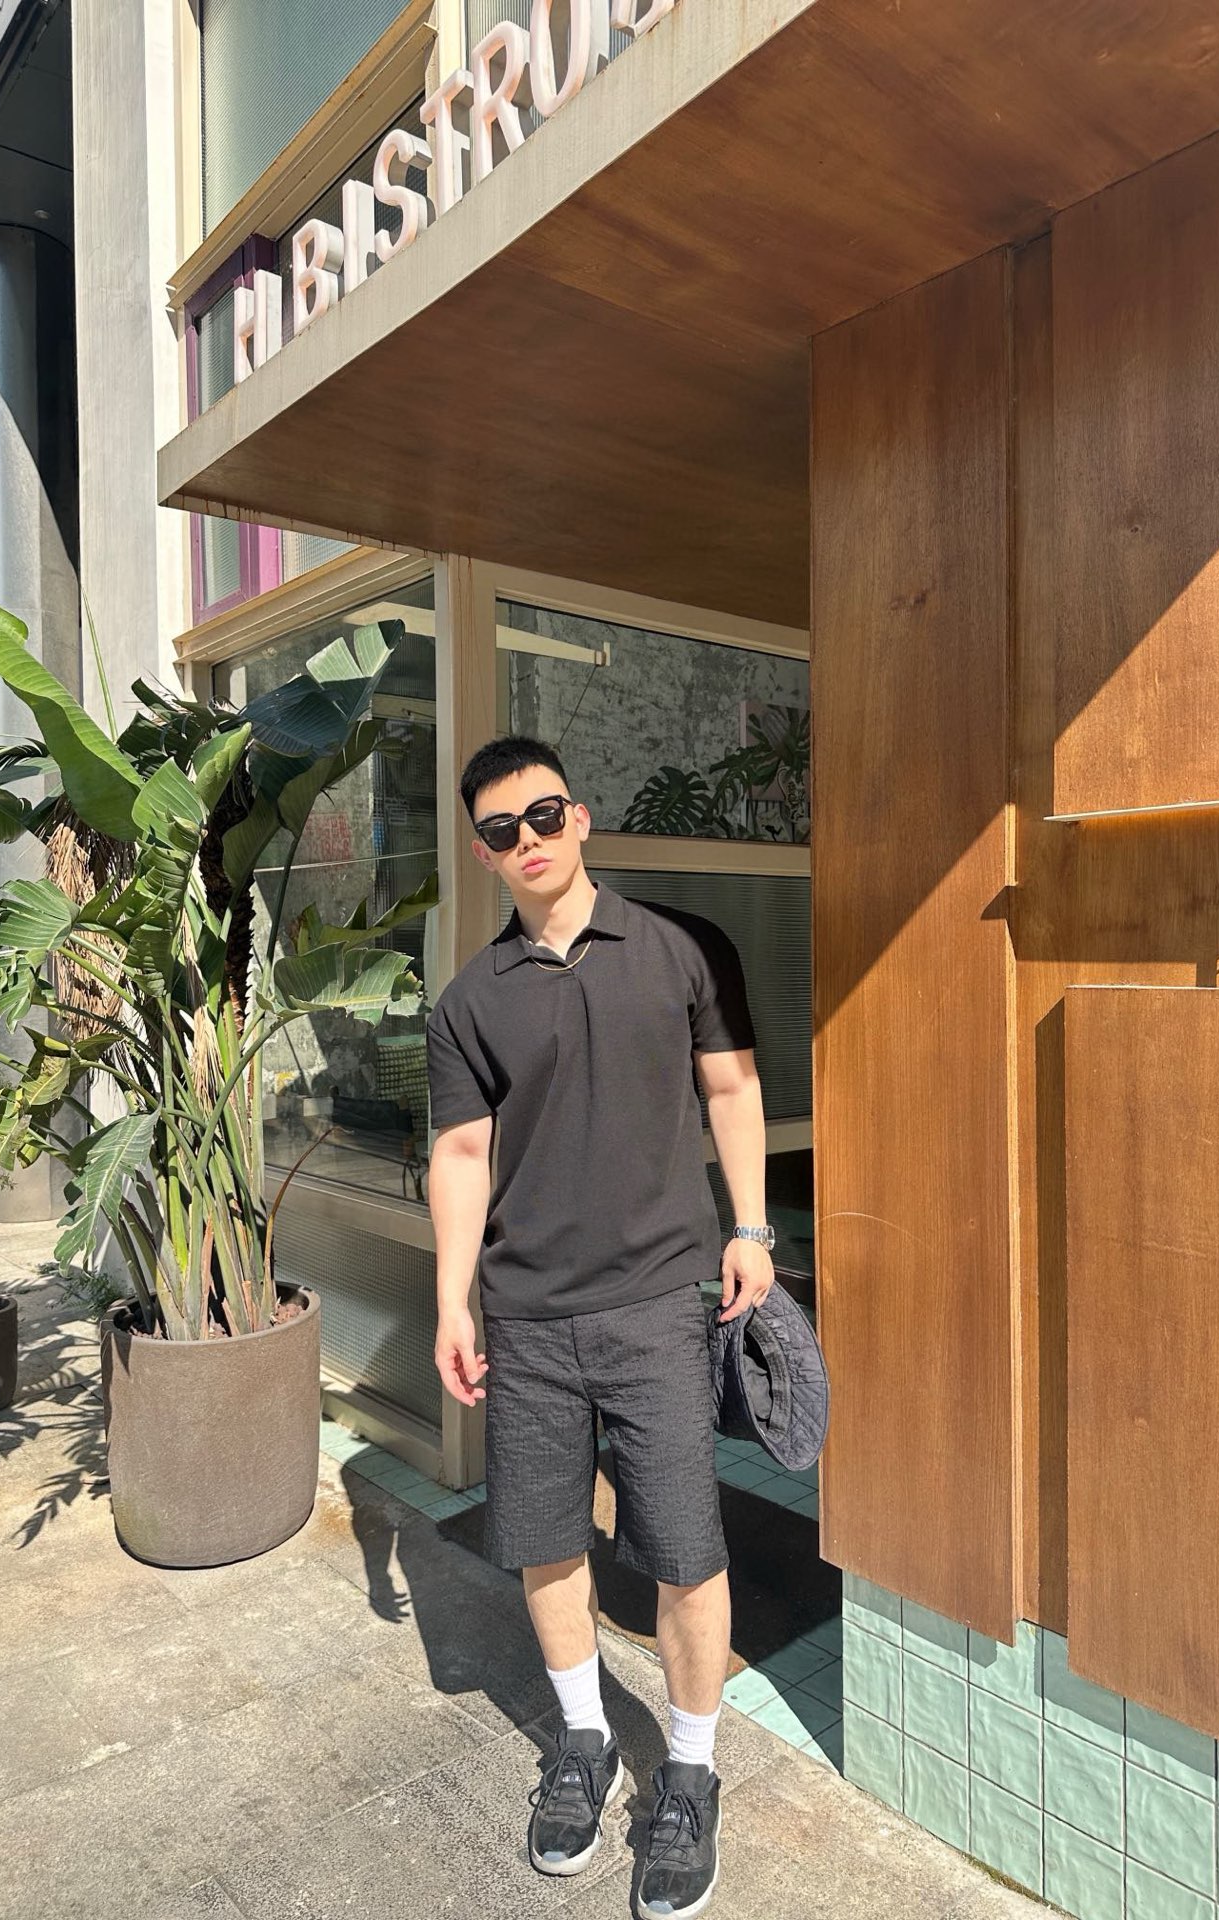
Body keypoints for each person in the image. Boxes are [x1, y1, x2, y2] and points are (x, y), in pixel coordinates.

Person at [425, 735, 775, 1919]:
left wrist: (752, 1227)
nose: (525, 841)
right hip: (527, 1317)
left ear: (580, 817)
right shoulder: (470, 1002)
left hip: (658, 1302)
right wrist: (452, 1299)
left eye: (542, 816)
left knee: (685, 1548)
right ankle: (586, 1741)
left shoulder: (681, 948)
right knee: (545, 1543)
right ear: (483, 852)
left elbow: (731, 1087)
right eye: (500, 831)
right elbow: (461, 1153)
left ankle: (691, 1770)